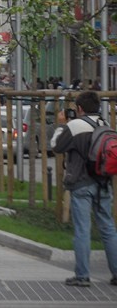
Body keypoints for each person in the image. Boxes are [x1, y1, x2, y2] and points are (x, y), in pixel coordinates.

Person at [51, 90, 117, 287]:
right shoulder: (106, 125)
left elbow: (56, 146)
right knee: (108, 228)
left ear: (79, 108)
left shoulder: (74, 125)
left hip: (81, 183)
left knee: (82, 229)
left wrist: (62, 125)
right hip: (104, 182)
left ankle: (82, 275)